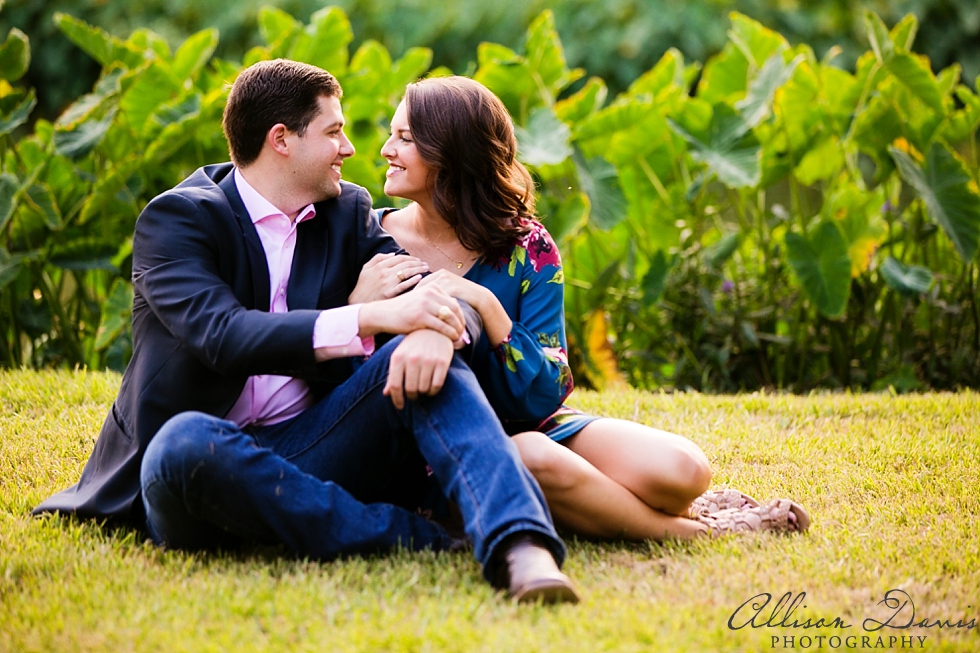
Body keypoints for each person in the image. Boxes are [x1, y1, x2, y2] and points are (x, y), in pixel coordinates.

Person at [33, 60, 580, 604]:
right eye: (334, 132)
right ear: (281, 140)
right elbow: (222, 335)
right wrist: (366, 316)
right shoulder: (178, 221)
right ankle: (419, 538)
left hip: (315, 444)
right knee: (182, 444)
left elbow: (428, 288)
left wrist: (433, 330)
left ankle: (522, 548)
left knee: (429, 365)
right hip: (202, 463)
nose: (350, 149)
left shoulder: (347, 213)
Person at [352, 76, 811, 540]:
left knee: (683, 470)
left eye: (405, 138)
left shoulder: (526, 247)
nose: (387, 149)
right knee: (530, 456)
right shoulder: (369, 240)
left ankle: (608, 501)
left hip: (531, 421)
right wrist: (358, 304)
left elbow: (548, 390)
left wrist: (491, 310)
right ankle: (697, 531)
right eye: (393, 134)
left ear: (452, 150)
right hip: (435, 447)